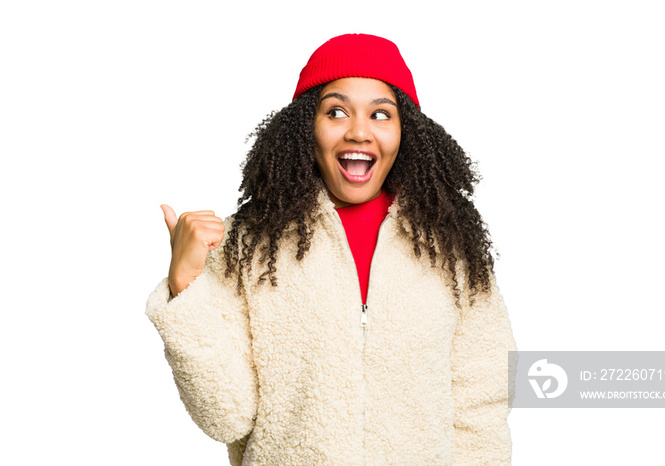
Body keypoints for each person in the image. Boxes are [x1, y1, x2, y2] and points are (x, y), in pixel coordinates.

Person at [146, 33, 517, 465]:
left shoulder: (452, 247)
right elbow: (226, 417)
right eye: (336, 111)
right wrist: (185, 283)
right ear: (305, 129)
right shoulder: (247, 245)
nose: (359, 131)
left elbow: (482, 407)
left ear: (406, 132)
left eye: (381, 114)